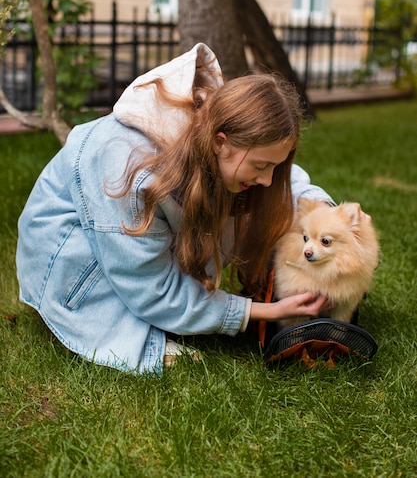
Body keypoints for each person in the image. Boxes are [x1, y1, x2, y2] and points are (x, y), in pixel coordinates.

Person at [16, 43, 334, 374]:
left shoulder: (218, 120)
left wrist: (326, 215)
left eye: (274, 167)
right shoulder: (132, 172)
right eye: (260, 165)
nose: (268, 180)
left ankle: (192, 308)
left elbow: (290, 182)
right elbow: (150, 290)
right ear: (220, 141)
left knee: (254, 196)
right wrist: (260, 312)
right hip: (74, 260)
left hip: (125, 239)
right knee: (141, 318)